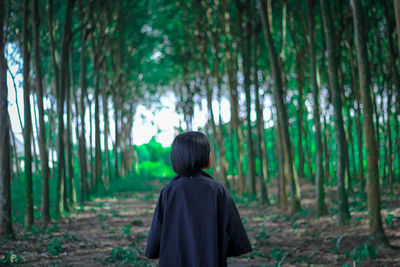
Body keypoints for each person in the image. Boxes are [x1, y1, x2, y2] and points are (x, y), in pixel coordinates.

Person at [145, 131, 252, 267]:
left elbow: (157, 230)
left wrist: (153, 249)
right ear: (201, 155)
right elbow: (233, 228)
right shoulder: (217, 190)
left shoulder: (169, 191)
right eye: (209, 151)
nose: (211, 155)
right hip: (209, 259)